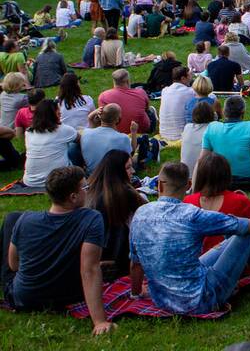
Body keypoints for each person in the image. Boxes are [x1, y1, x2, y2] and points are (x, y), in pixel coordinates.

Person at [128, 162, 250, 316]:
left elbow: (135, 264)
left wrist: (136, 294)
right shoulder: (191, 214)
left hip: (163, 299)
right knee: (246, 234)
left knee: (232, 237)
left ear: (159, 186)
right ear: (188, 184)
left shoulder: (140, 214)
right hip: (200, 298)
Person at [1, 166, 113, 335]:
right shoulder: (91, 219)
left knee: (12, 218)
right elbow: (89, 270)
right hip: (71, 295)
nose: (88, 190)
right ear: (73, 197)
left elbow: (13, 265)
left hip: (25, 298)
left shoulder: (25, 221)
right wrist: (99, 321)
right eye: (85, 187)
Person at [84, 149, 145, 277]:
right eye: (128, 168)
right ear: (117, 171)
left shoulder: (90, 192)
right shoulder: (125, 194)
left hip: (90, 257)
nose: (133, 171)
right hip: (120, 260)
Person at [23, 100, 79, 187]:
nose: (60, 114)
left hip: (30, 181)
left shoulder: (28, 132)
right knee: (74, 146)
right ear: (53, 115)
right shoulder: (63, 130)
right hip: (59, 180)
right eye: (58, 112)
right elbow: (82, 140)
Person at [80, 104, 136, 173]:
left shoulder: (86, 133)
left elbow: (90, 120)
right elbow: (131, 154)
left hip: (92, 176)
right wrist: (134, 132)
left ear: (100, 116)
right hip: (112, 177)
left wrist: (95, 113)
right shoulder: (122, 138)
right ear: (118, 119)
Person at [97, 69, 154, 134]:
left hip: (115, 131)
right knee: (150, 111)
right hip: (141, 130)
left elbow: (103, 117)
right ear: (128, 81)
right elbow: (147, 109)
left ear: (114, 81)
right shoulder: (141, 92)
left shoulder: (103, 96)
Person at [182, 101, 218, 189]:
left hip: (185, 175)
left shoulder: (187, 127)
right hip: (203, 176)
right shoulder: (214, 129)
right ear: (212, 115)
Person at [159, 66, 196, 142]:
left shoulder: (165, 91)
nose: (191, 78)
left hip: (163, 133)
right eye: (189, 75)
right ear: (183, 78)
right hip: (181, 135)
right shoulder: (190, 92)